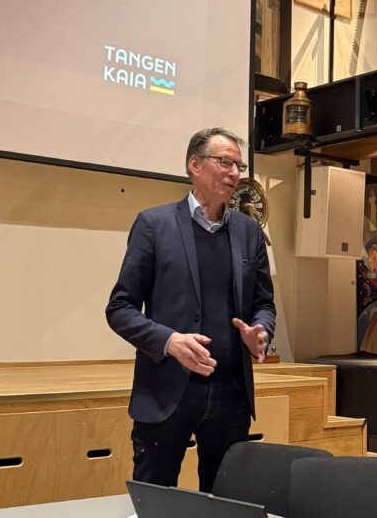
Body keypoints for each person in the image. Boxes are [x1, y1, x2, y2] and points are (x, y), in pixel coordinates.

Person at [106, 127, 275, 491]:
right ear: (195, 165)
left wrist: (260, 331)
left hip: (230, 394)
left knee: (224, 504)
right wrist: (169, 342)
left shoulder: (249, 232)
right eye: (225, 163)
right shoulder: (154, 225)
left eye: (239, 166)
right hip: (167, 392)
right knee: (157, 501)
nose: (234, 173)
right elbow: (119, 308)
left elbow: (264, 304)